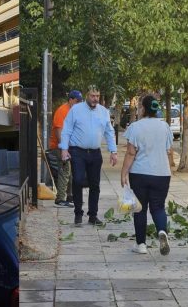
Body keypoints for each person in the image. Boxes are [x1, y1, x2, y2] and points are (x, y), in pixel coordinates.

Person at [120, 95, 173, 255]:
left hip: (140, 173)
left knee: (140, 209)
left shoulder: (136, 127)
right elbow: (169, 151)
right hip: (162, 174)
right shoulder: (165, 127)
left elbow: (130, 153)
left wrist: (124, 173)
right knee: (158, 207)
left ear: (142, 108)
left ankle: (141, 244)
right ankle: (162, 231)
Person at [60, 85, 118, 225]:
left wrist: (113, 151)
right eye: (92, 95)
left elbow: (109, 132)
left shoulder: (103, 112)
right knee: (78, 180)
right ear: (87, 95)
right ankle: (78, 213)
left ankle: (93, 215)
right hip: (77, 151)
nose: (95, 99)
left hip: (95, 153)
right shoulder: (76, 110)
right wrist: (64, 148)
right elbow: (66, 129)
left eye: (97, 96)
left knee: (95, 185)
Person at [47, 90, 83, 207]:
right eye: (77, 101)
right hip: (59, 146)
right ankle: (60, 198)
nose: (78, 104)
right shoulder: (62, 111)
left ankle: (70, 196)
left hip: (69, 146)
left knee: (71, 171)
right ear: (71, 99)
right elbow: (58, 131)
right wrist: (64, 149)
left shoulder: (74, 111)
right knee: (65, 170)